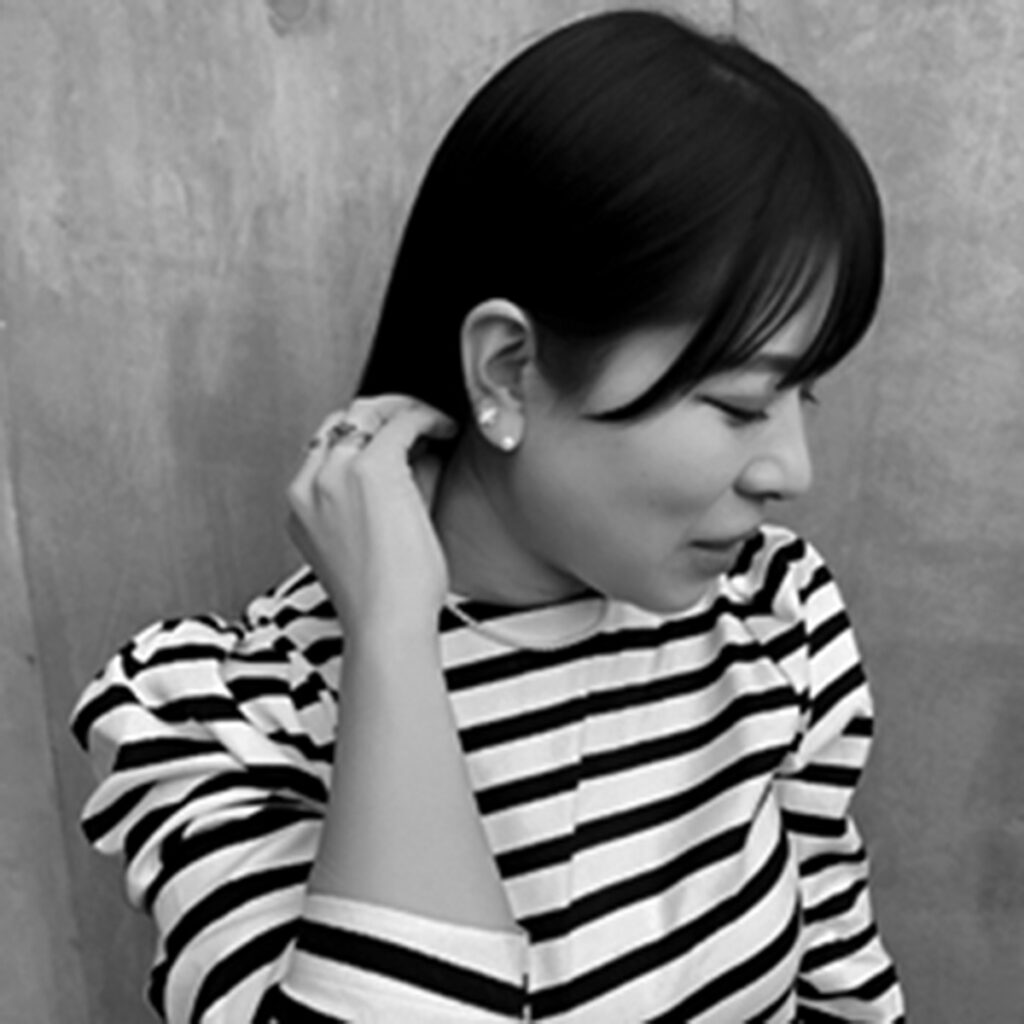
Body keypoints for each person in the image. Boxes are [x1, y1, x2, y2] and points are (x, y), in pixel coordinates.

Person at [71, 9, 906, 1022]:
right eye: (737, 403)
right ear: (508, 368)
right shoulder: (234, 719)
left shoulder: (775, 616)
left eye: (803, 394)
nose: (792, 469)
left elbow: (842, 984)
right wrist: (391, 639)